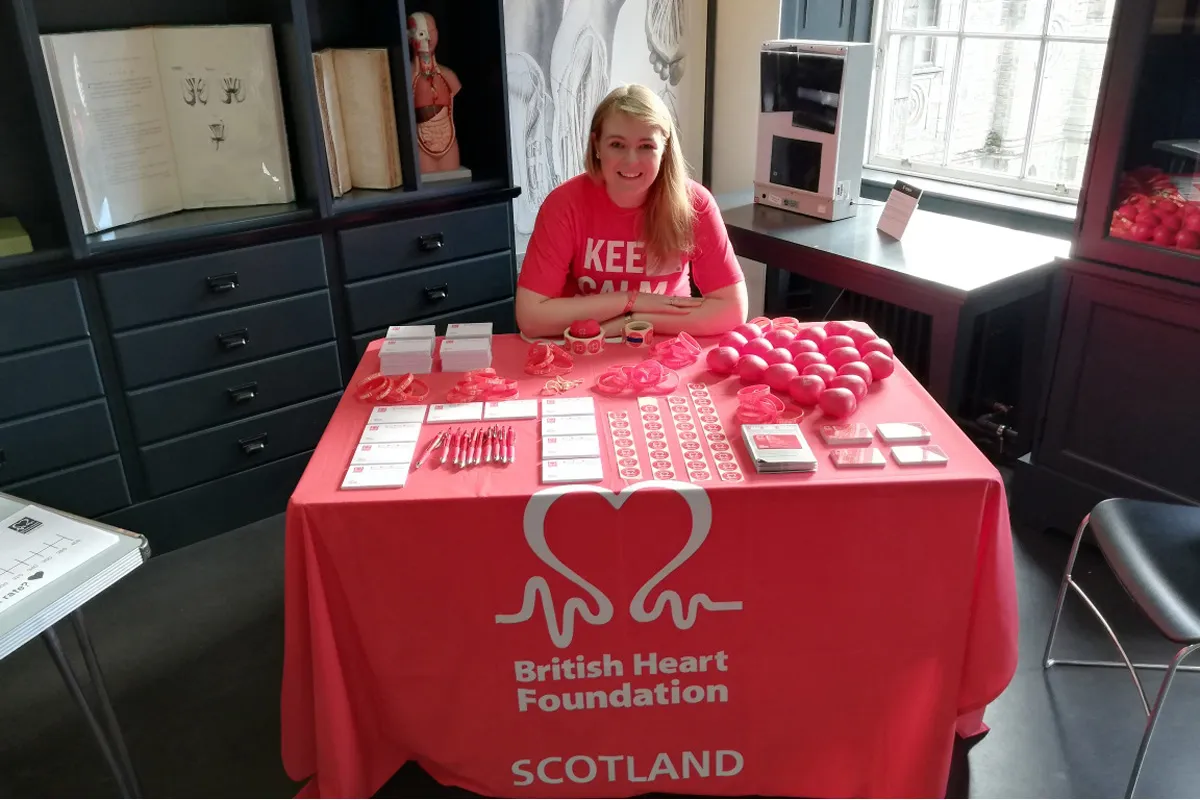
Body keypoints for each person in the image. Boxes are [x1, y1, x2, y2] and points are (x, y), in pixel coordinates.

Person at [515, 84, 748, 339]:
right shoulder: (563, 204)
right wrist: (631, 300)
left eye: (646, 146)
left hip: (667, 338)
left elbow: (733, 310)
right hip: (587, 341)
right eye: (617, 144)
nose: (631, 160)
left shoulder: (696, 203)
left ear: (665, 149)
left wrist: (637, 320)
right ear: (597, 145)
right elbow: (531, 317)